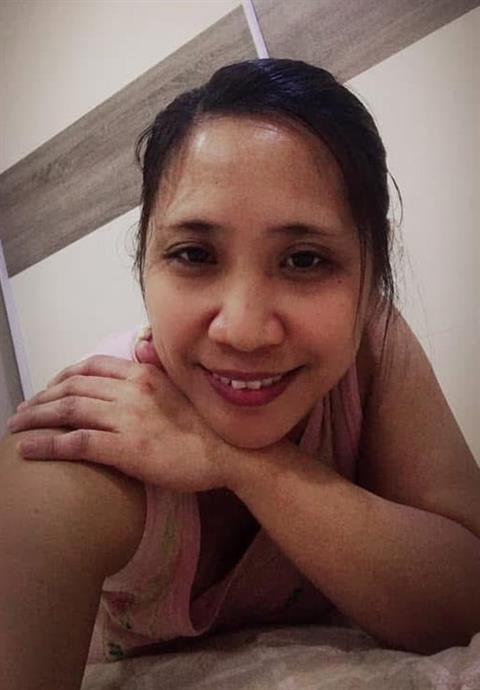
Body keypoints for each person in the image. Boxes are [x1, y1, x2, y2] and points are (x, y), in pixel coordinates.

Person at [1, 58, 480, 690]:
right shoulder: (82, 448)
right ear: (145, 263)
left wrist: (239, 462)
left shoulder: (373, 343)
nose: (244, 331)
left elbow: (465, 597)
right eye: (194, 254)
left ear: (371, 278)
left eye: (305, 260)